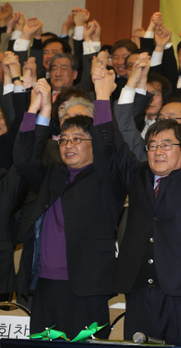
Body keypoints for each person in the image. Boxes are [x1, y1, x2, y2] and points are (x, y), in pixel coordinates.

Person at [89, 55, 181, 346]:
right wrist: (102, 97)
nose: (157, 151)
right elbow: (108, 146)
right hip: (138, 285)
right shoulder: (137, 174)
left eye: (167, 145)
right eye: (152, 145)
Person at [13, 79, 125, 338]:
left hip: (87, 285)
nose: (68, 145)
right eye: (63, 140)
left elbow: (110, 145)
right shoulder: (54, 174)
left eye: (77, 139)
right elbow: (23, 159)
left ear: (93, 144)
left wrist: (102, 96)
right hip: (44, 283)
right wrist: (35, 111)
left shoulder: (107, 178)